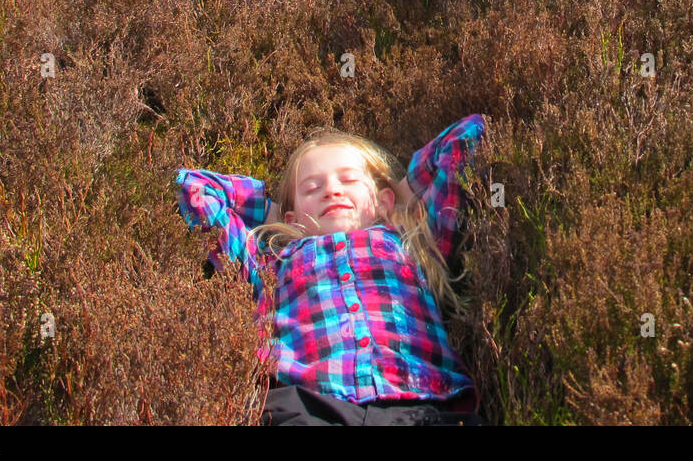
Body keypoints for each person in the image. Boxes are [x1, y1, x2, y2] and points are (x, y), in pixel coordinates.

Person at [174, 114, 488, 425]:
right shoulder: (271, 259)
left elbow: (467, 135)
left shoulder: (413, 243)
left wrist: (401, 194)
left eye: (349, 180)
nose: (331, 190)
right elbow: (193, 188)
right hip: (307, 402)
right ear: (292, 217)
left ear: (383, 200)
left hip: (423, 400)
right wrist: (275, 214)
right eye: (311, 188)